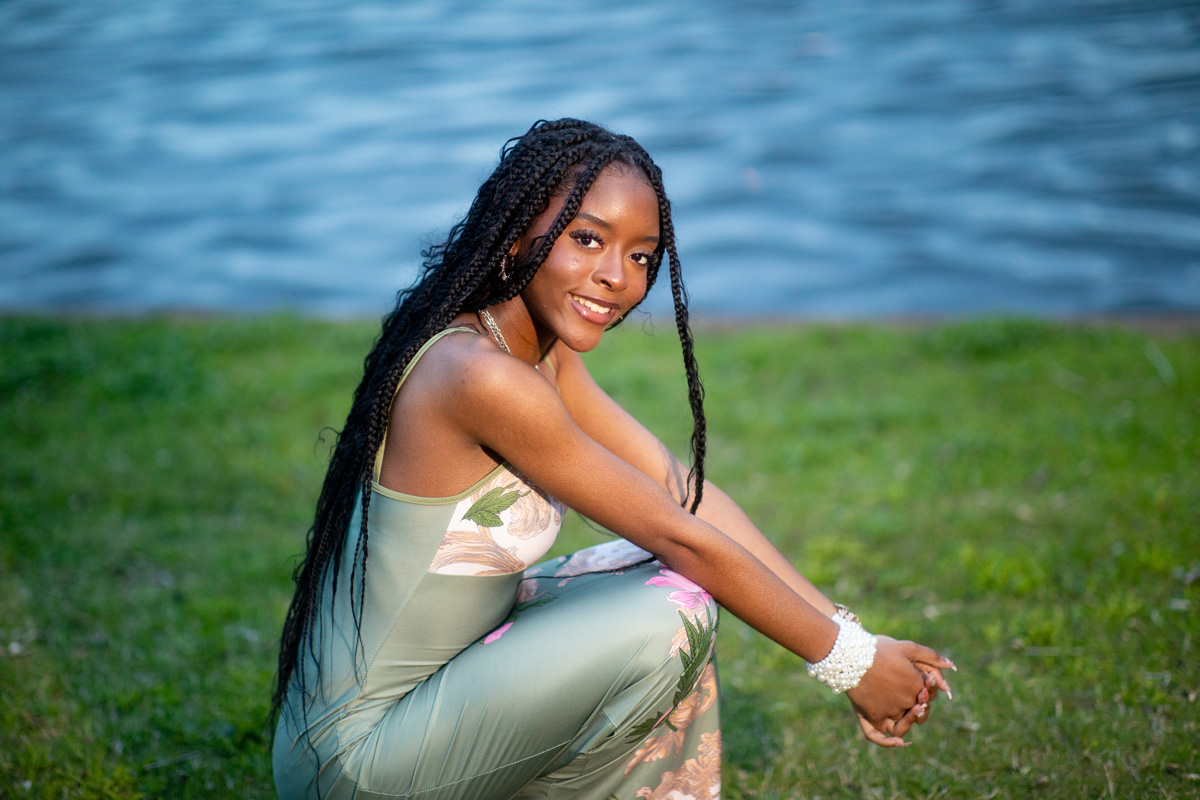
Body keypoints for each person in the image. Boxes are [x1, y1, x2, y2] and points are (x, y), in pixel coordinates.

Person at [270, 118, 955, 800]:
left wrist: (855, 637)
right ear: (516, 232)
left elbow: (680, 493)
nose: (616, 277)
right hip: (357, 761)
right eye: (588, 239)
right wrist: (848, 664)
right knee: (674, 607)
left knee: (655, 574)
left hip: (433, 702)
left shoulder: (537, 357)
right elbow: (680, 535)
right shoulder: (481, 376)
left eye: (642, 257)